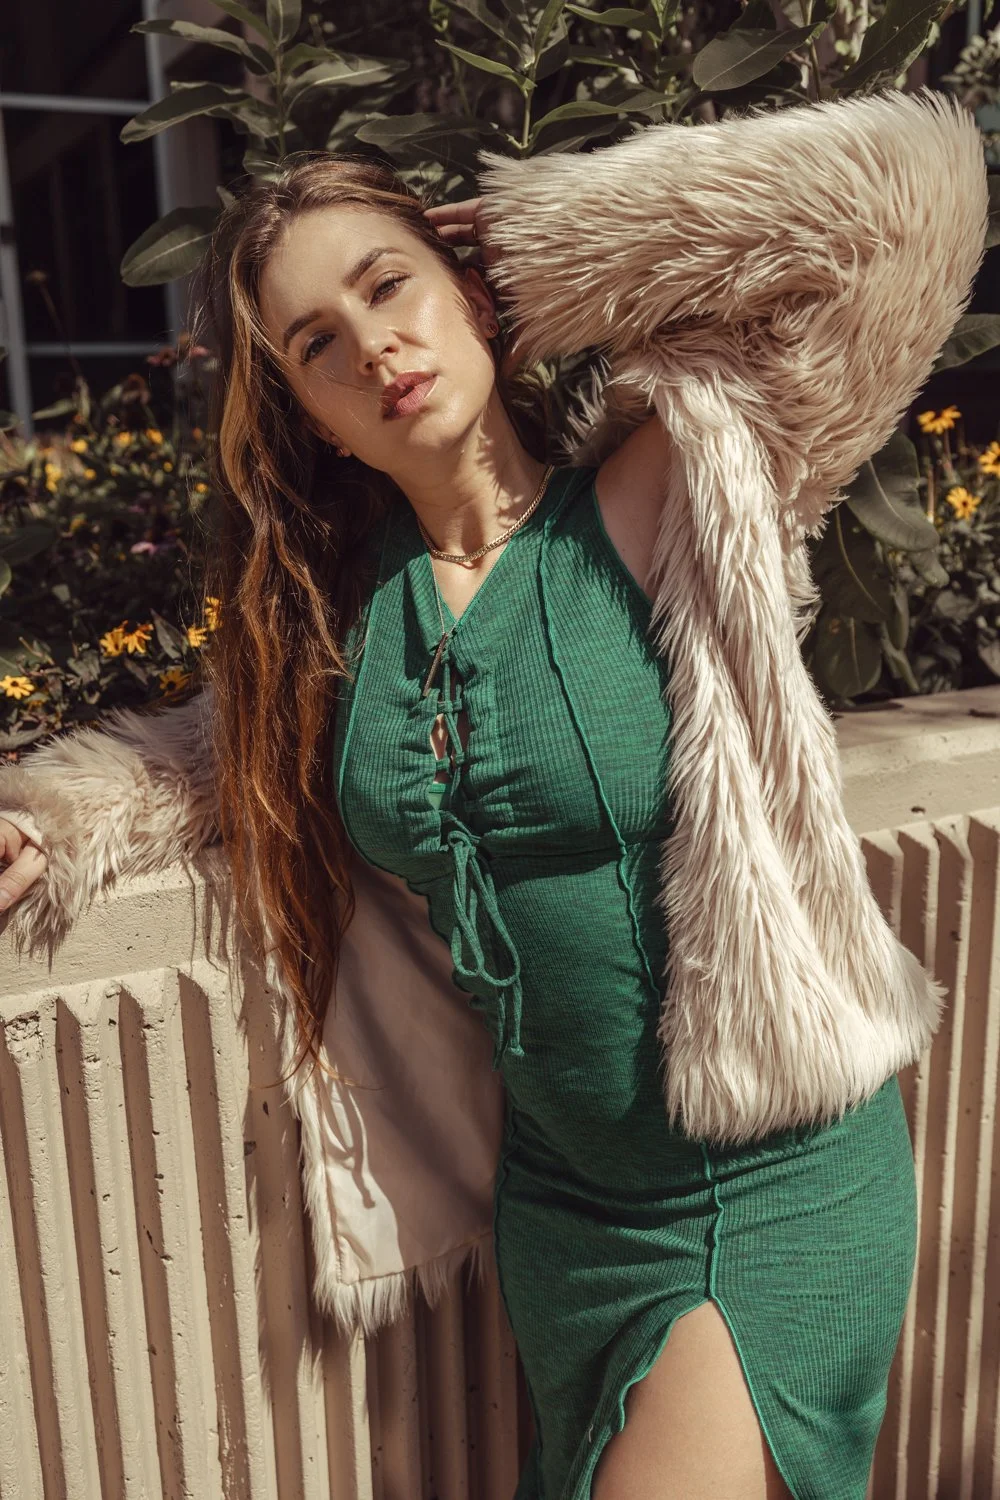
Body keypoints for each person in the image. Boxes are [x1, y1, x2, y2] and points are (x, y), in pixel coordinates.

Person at [0, 86, 989, 1500]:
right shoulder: (355, 618)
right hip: (565, 1211)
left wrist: (559, 232)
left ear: (472, 291)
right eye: (317, 346)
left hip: (770, 1176)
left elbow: (916, 209)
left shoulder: (670, 483)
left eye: (390, 284)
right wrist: (50, 815)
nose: (373, 347)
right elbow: (217, 763)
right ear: (315, 421)